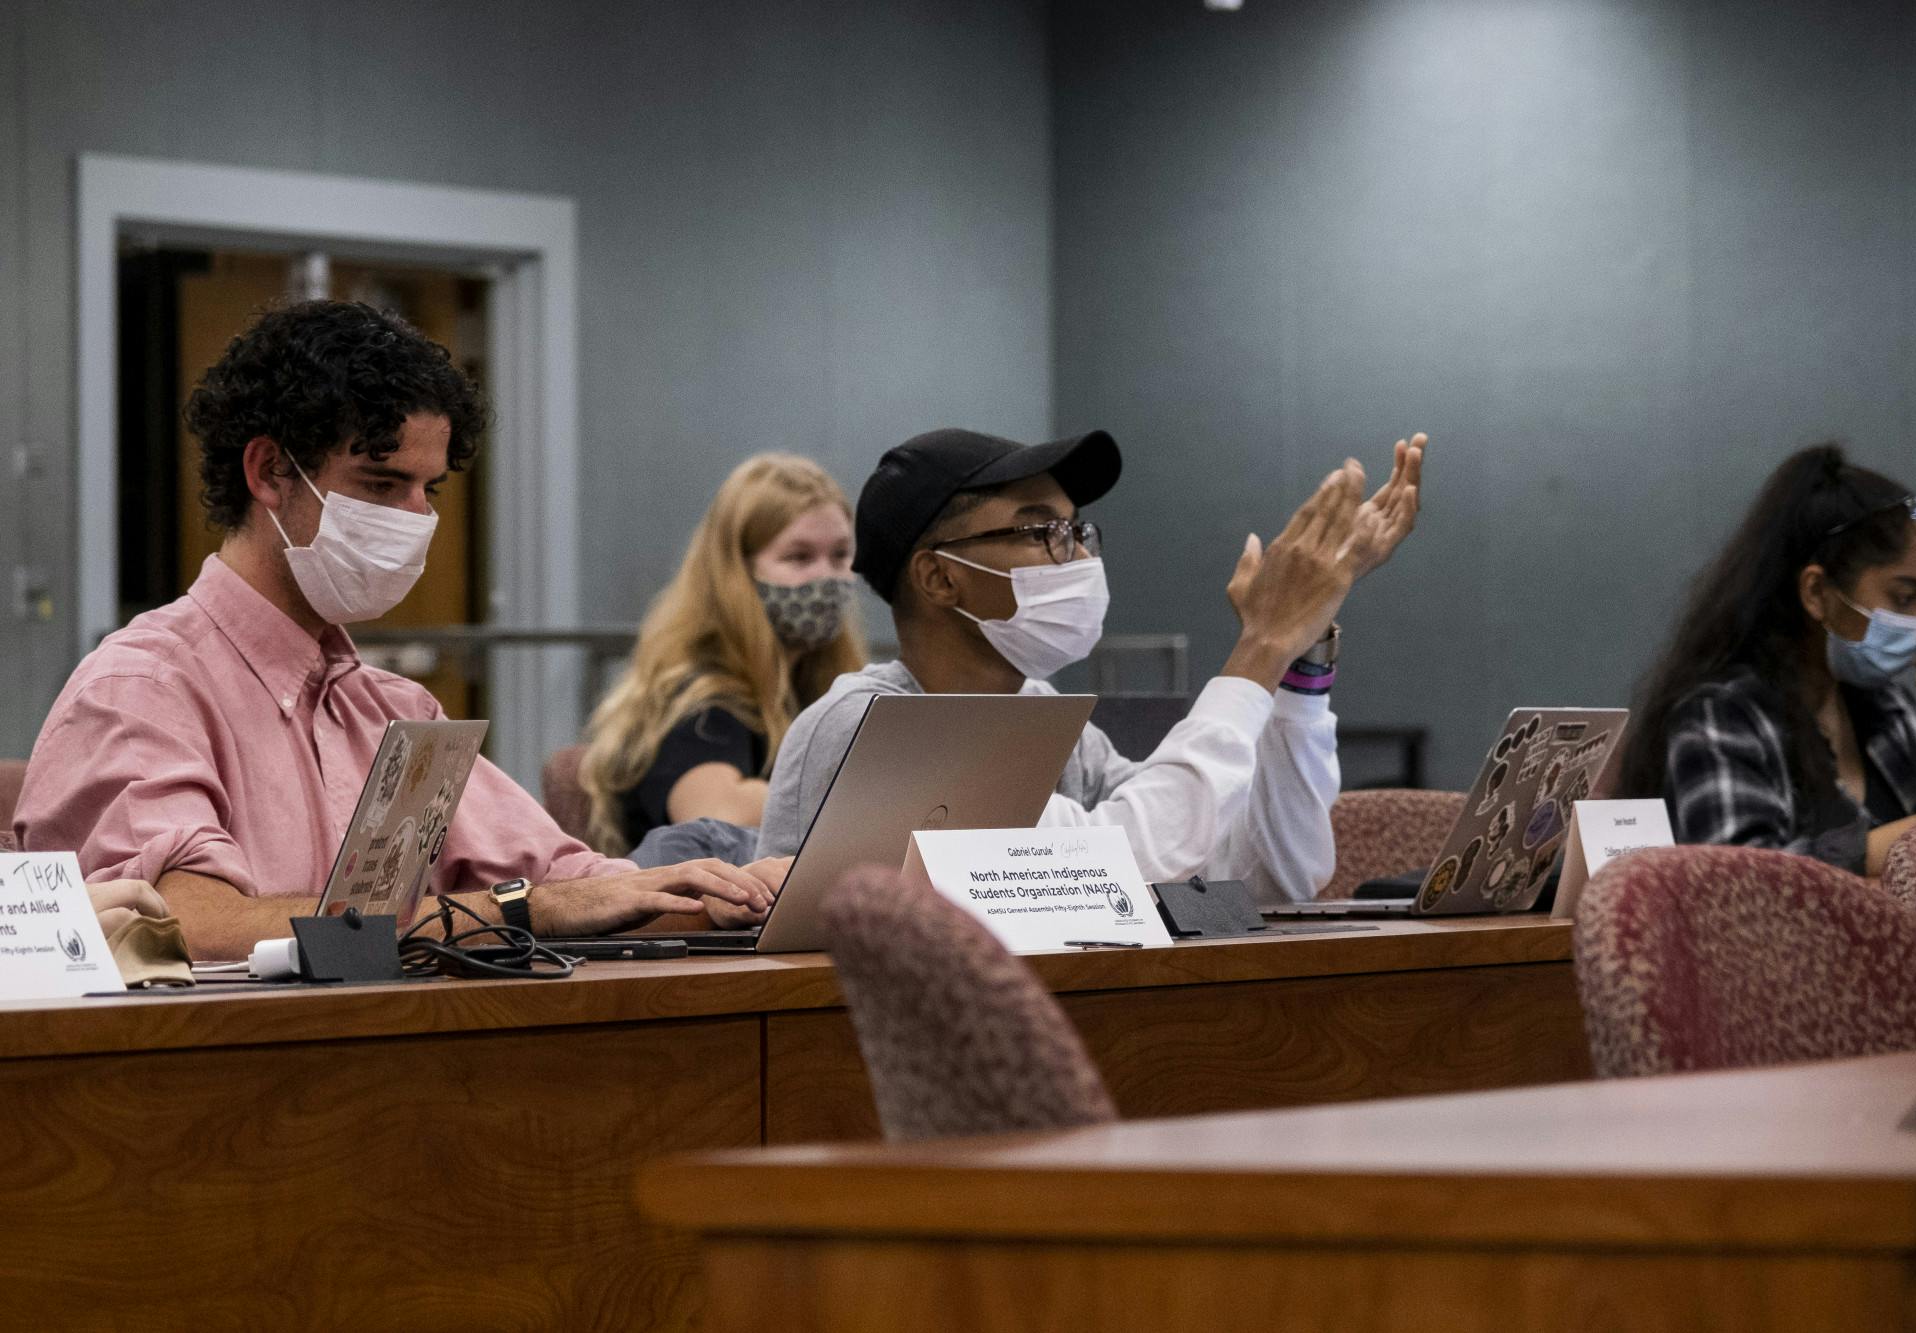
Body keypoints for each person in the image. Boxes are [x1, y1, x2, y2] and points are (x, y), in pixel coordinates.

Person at [16, 300, 777, 960]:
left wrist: (724, 889)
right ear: (269, 472)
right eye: (381, 484)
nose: (418, 518)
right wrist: (517, 911)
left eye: (428, 488)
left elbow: (564, 879)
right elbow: (193, 927)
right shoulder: (140, 689)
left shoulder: (395, 709)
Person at [756, 425, 1429, 904]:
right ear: (938, 577)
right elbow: (1117, 860)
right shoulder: (868, 725)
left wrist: (1300, 663)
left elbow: (1263, 875)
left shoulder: (1049, 719)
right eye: (1039, 530)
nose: (1077, 556)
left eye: (1078, 530)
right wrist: (1260, 651)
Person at [1615, 443, 1916, 875]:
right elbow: (1740, 887)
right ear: (1816, 592)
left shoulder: (1888, 709)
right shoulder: (1722, 717)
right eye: (1904, 597)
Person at [579, 454, 864, 854]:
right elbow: (715, 811)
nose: (827, 577)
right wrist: (867, 798)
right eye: (799, 557)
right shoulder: (698, 695)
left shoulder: (814, 687)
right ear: (737, 572)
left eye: (840, 556)